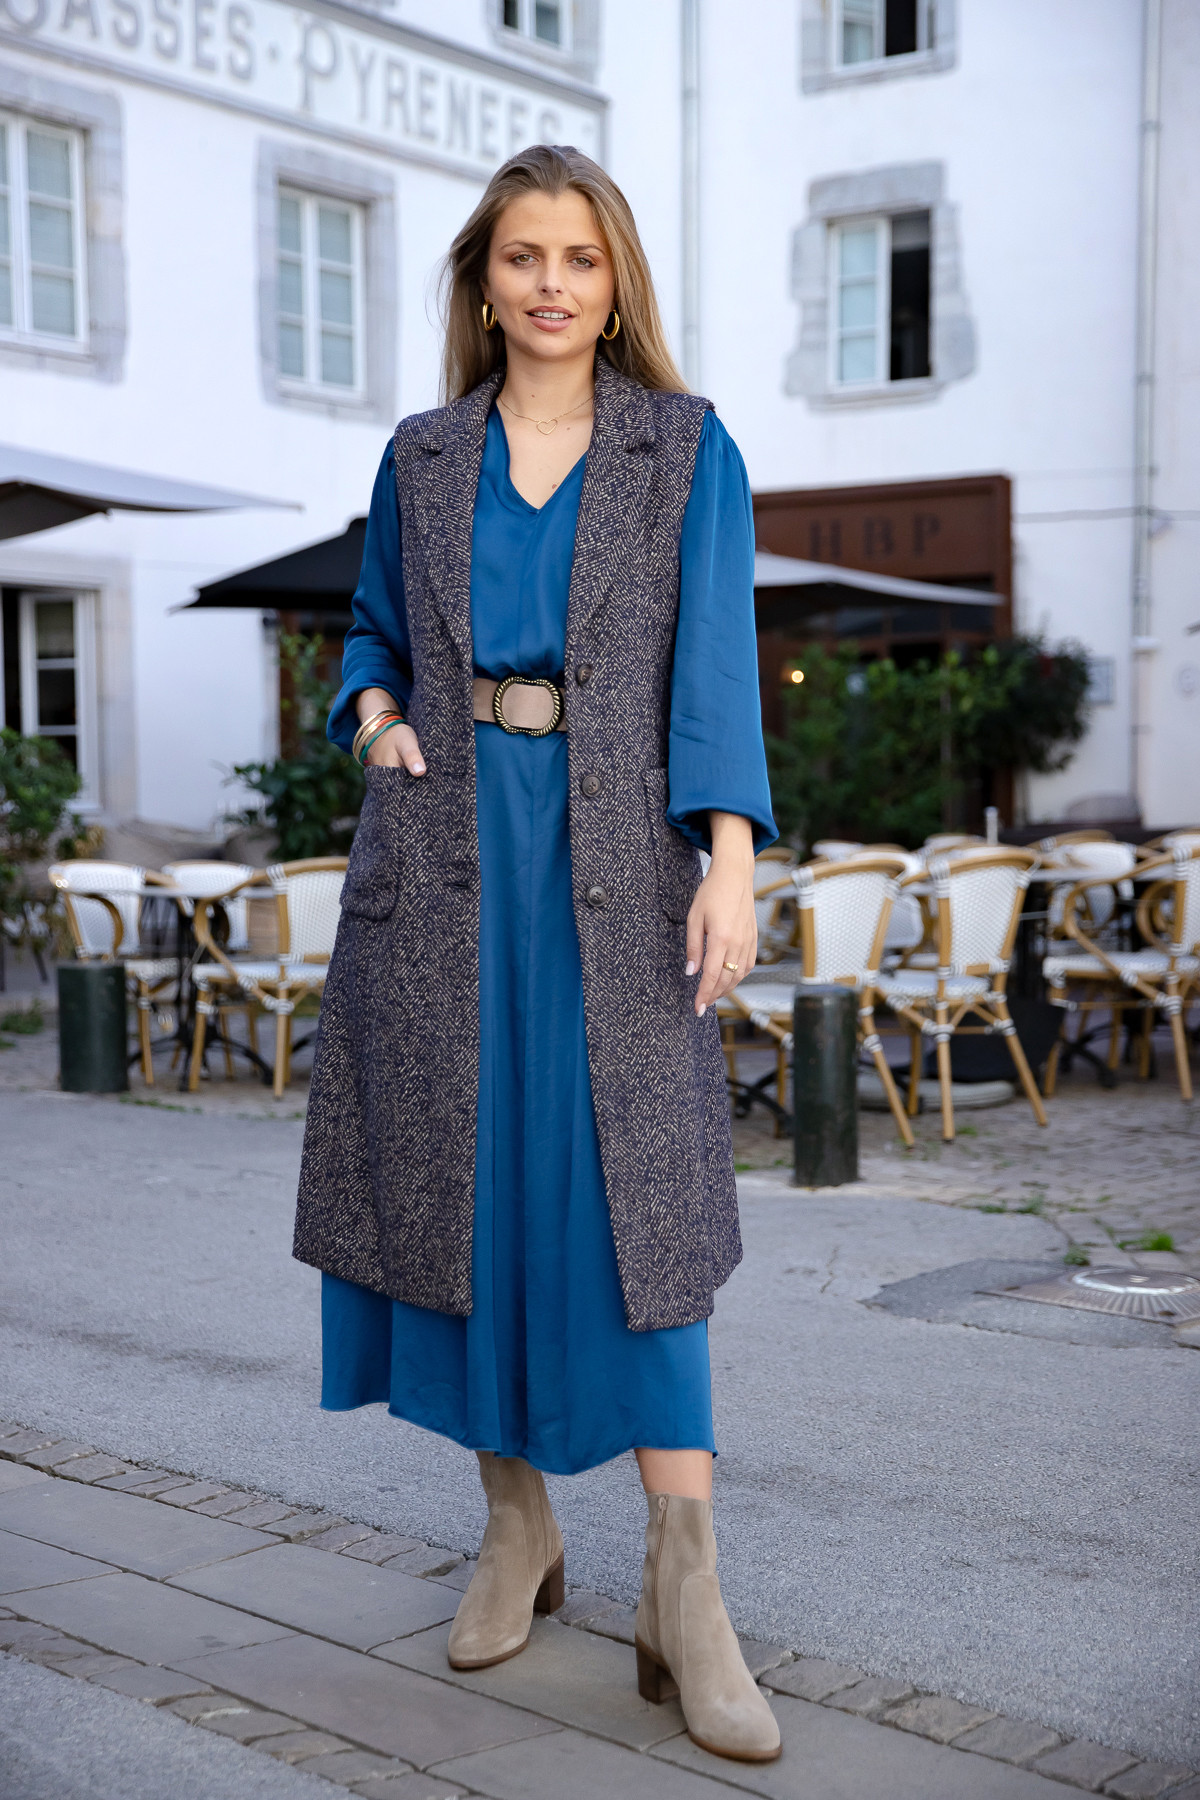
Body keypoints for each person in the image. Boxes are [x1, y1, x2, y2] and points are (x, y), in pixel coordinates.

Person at [293, 143, 780, 1765]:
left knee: (641, 1206)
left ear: (615, 280)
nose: (552, 284)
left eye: (579, 257)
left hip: (618, 865)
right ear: (483, 281)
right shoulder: (422, 455)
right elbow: (371, 634)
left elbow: (716, 671)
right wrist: (376, 718)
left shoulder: (684, 449)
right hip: (443, 864)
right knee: (463, 1190)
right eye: (523, 258)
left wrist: (730, 862)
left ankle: (686, 1589)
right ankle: (516, 1526)